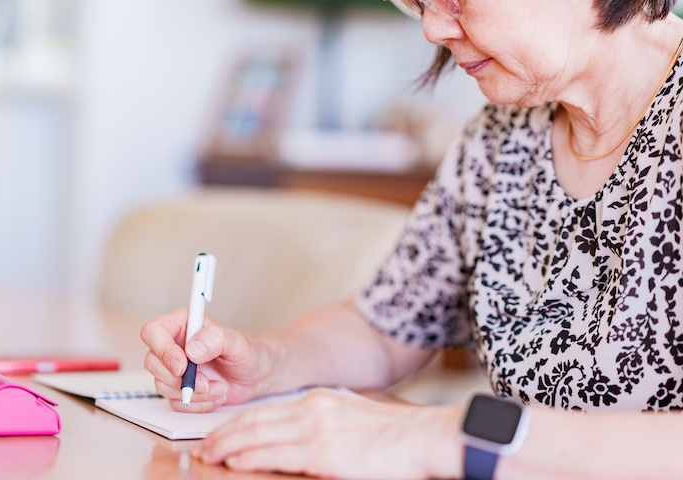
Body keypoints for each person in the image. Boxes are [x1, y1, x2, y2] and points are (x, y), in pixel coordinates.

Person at [141, 0, 683, 478]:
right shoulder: (500, 137)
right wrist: (266, 362)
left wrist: (450, 436)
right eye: (417, 2)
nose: (431, 29)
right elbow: (384, 327)